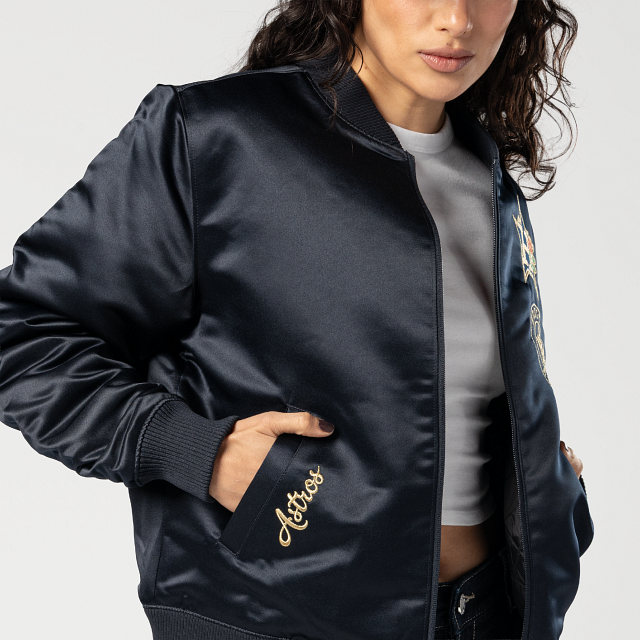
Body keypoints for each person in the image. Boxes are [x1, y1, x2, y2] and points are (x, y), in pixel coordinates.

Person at [0, 1, 593, 639]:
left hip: (487, 616)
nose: (456, 18)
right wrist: (195, 450)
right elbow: (20, 332)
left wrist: (544, 483)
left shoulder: (485, 176)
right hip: (273, 616)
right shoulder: (219, 135)